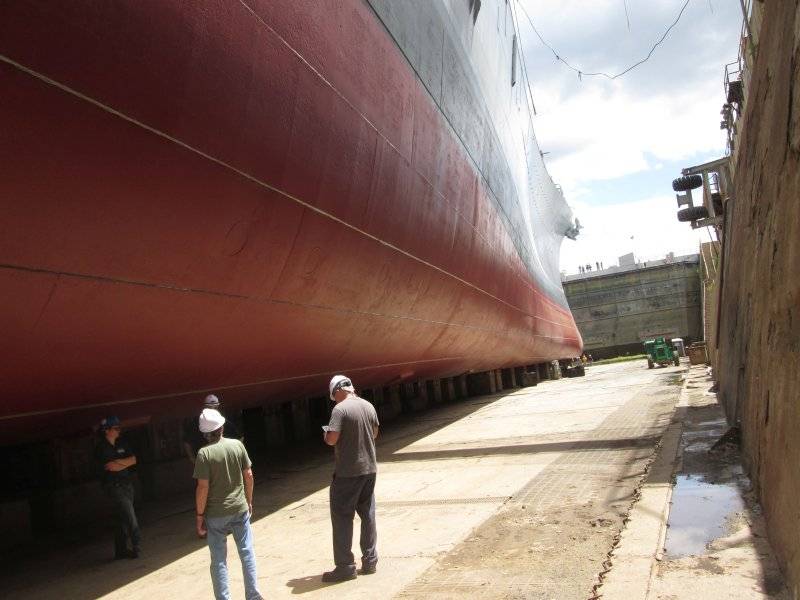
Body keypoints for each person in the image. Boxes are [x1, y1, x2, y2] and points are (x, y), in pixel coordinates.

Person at [193, 408, 263, 600]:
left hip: (215, 515)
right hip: (239, 509)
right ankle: (253, 596)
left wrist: (199, 516)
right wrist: (248, 500)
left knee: (218, 561)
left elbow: (202, 488)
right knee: (247, 552)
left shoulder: (203, 454)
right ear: (222, 427)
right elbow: (248, 476)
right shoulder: (237, 446)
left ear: (205, 433)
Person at [321, 375, 380, 582]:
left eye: (333, 396)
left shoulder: (340, 409)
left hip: (348, 473)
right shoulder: (368, 405)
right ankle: (370, 560)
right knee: (368, 514)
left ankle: (345, 566)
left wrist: (326, 434)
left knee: (342, 517)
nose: (334, 400)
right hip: (369, 469)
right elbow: (374, 433)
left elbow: (332, 439)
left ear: (338, 390)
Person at [94, 416, 141, 559]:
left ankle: (120, 551)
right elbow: (110, 467)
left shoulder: (122, 443)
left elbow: (134, 459)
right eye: (116, 428)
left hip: (127, 484)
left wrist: (119, 463)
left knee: (121, 518)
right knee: (130, 516)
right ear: (107, 431)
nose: (119, 430)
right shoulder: (101, 448)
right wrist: (125, 462)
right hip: (113, 487)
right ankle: (136, 545)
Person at [183, 394, 241, 465]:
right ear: (205, 407)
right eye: (210, 407)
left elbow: (239, 438)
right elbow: (187, 443)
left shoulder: (223, 422)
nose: (212, 409)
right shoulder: (195, 423)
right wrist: (194, 461)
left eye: (215, 407)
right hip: (205, 462)